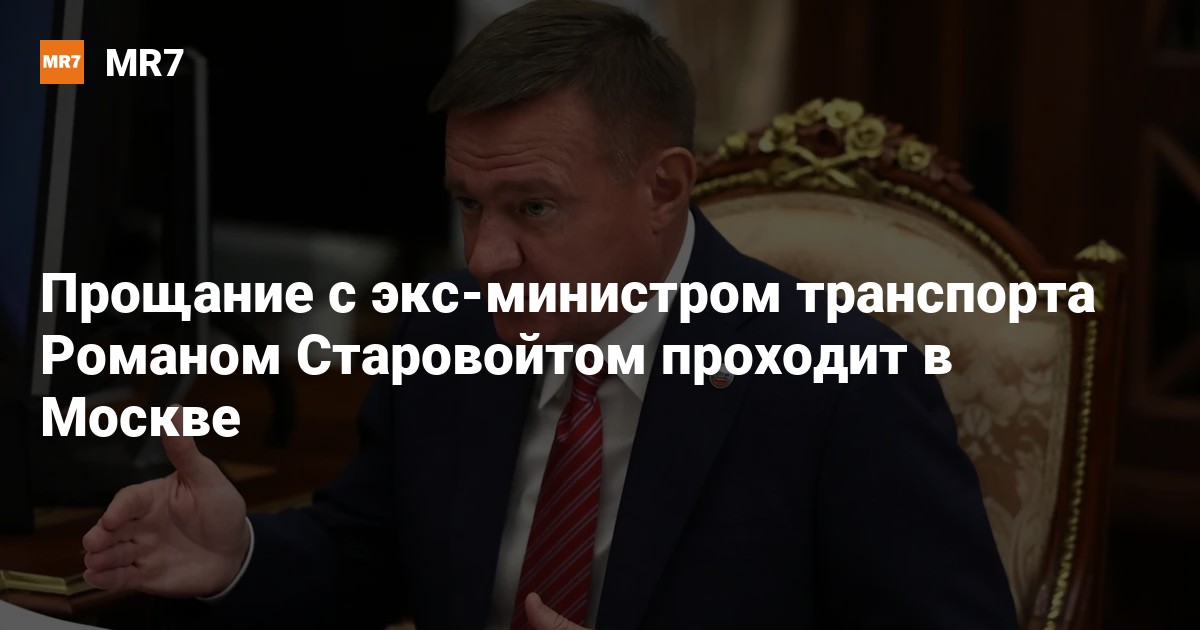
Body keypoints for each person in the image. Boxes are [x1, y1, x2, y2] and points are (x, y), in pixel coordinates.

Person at [81, 1, 1019, 628]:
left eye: (533, 208)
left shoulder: (844, 388)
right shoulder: (447, 335)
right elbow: (366, 556)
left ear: (664, 189)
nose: (486, 259)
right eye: (468, 204)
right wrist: (238, 553)